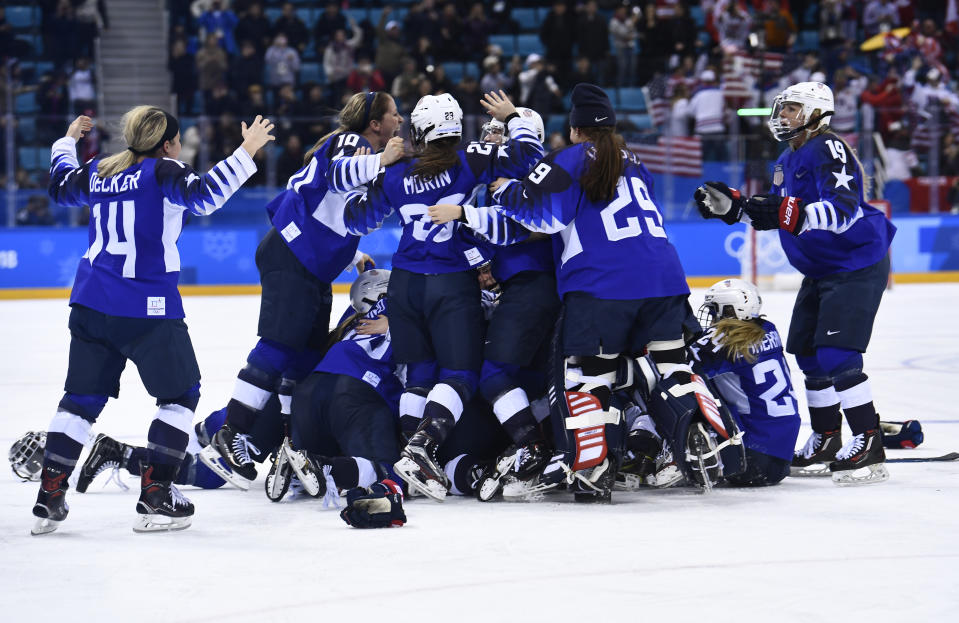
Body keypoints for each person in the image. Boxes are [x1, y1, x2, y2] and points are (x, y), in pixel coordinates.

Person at [429, 84, 719, 502]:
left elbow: (542, 218)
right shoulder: (634, 160)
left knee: (589, 380)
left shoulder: (568, 159)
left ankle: (594, 468)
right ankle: (696, 438)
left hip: (600, 285)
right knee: (670, 371)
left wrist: (496, 197)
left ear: (575, 129)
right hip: (665, 279)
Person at [33, 108, 274, 535]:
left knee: (80, 400)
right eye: (178, 143)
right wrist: (247, 151)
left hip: (90, 302)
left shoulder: (101, 169)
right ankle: (156, 496)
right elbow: (205, 196)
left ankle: (49, 496)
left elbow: (58, 186)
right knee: (181, 396)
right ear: (168, 143)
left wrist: (66, 141)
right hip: (147, 306)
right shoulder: (163, 171)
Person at [341, 90, 544, 501]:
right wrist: (515, 116)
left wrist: (374, 167)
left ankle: (405, 458)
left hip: (404, 284)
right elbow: (529, 156)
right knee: (460, 375)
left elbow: (355, 216)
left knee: (419, 375)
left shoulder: (397, 171)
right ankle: (422, 448)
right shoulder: (471, 157)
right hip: (449, 283)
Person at [694, 81, 896, 485]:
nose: (783, 115)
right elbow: (778, 215)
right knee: (808, 354)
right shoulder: (788, 156)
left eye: (792, 108)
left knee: (837, 354)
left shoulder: (828, 147)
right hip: (822, 267)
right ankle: (825, 437)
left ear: (818, 112)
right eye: (782, 108)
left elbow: (842, 211)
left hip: (854, 263)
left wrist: (787, 211)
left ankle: (868, 440)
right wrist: (735, 209)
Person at [202, 91, 405, 490]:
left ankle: (291, 446)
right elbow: (337, 174)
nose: (400, 121)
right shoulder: (355, 142)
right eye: (394, 115)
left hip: (309, 264)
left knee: (303, 360)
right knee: (279, 346)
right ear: (375, 123)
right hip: (293, 256)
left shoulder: (361, 151)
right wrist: (382, 159)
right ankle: (232, 432)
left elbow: (331, 211)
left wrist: (352, 255)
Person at [688, 279, 801, 486]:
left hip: (749, 457)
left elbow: (682, 364)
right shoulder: (768, 328)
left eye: (715, 309)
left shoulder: (724, 339)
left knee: (680, 386)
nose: (712, 315)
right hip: (782, 455)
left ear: (729, 309)